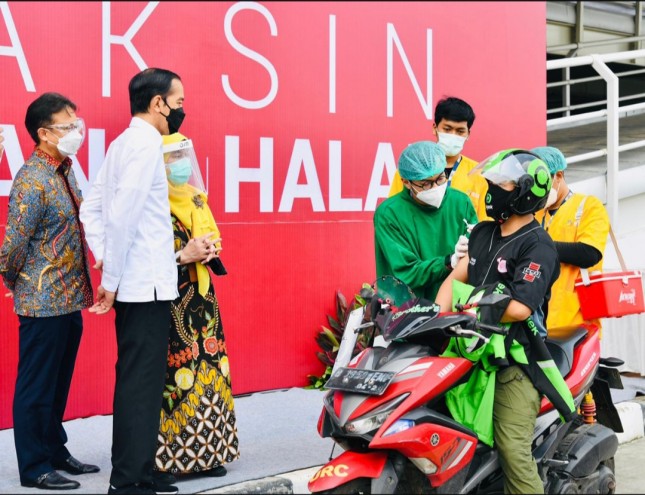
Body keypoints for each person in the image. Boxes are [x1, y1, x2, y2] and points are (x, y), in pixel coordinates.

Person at [79, 68, 196, 495]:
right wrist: (110, 276)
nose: (182, 110)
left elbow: (91, 210)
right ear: (157, 103)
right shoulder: (144, 147)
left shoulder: (123, 143)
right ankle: (128, 481)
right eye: (178, 102)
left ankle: (141, 469)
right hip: (142, 286)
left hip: (143, 282)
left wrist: (107, 259)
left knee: (142, 381)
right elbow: (121, 216)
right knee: (139, 383)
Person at [435, 149, 577, 494]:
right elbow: (455, 280)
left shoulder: (538, 247)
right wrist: (433, 315)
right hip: (470, 347)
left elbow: (519, 308)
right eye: (492, 182)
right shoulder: (483, 233)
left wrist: (466, 301)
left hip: (517, 359)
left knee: (512, 448)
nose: (492, 189)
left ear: (524, 193)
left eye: (501, 183)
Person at [0, 93, 99, 490]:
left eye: (77, 121)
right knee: (36, 386)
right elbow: (11, 248)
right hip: (41, 303)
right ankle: (34, 466)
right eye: (67, 125)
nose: (76, 130)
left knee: (58, 382)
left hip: (69, 297)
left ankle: (55, 450)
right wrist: (15, 284)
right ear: (43, 133)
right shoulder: (31, 180)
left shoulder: (64, 169)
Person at [153, 133, 239, 480]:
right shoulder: (154, 202)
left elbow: (213, 237)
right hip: (171, 298)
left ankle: (211, 452)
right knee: (177, 373)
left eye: (183, 156)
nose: (180, 165)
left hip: (203, 298)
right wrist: (180, 255)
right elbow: (149, 254)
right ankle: (172, 458)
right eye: (172, 158)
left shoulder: (196, 198)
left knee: (213, 368)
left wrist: (209, 248)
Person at [374, 141, 477, 301]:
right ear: (406, 182)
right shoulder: (389, 214)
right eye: (425, 184)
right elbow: (407, 273)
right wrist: (450, 261)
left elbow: (474, 259)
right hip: (408, 312)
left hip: (455, 308)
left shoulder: (460, 203)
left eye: (440, 178)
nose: (435, 187)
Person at [531, 146, 610, 338]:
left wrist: (538, 247)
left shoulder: (589, 205)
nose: (537, 189)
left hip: (577, 325)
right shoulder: (535, 212)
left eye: (542, 181)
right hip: (537, 322)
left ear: (558, 176)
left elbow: (589, 253)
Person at [388, 96, 490, 221]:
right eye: (447, 129)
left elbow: (485, 223)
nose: (453, 135)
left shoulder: (479, 174)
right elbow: (393, 213)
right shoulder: (411, 169)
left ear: (468, 133)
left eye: (460, 131)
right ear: (435, 128)